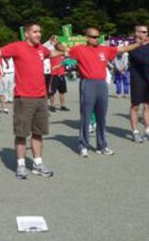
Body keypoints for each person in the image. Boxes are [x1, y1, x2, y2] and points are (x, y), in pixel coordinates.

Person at [0, 22, 60, 179]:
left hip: (41, 98)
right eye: (35, 32)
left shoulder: (41, 49)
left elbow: (52, 53)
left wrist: (66, 51)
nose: (39, 34)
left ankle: (38, 164)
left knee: (38, 134)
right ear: (27, 34)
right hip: (24, 98)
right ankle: (21, 165)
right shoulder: (17, 47)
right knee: (21, 134)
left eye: (39, 32)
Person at [56, 29, 142, 157]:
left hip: (102, 84)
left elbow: (122, 49)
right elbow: (64, 49)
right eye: (93, 37)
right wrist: (56, 44)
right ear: (87, 37)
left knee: (101, 116)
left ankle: (101, 145)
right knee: (86, 116)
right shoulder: (79, 49)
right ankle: (83, 145)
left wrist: (139, 44)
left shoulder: (104, 49)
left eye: (97, 37)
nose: (96, 39)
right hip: (88, 83)